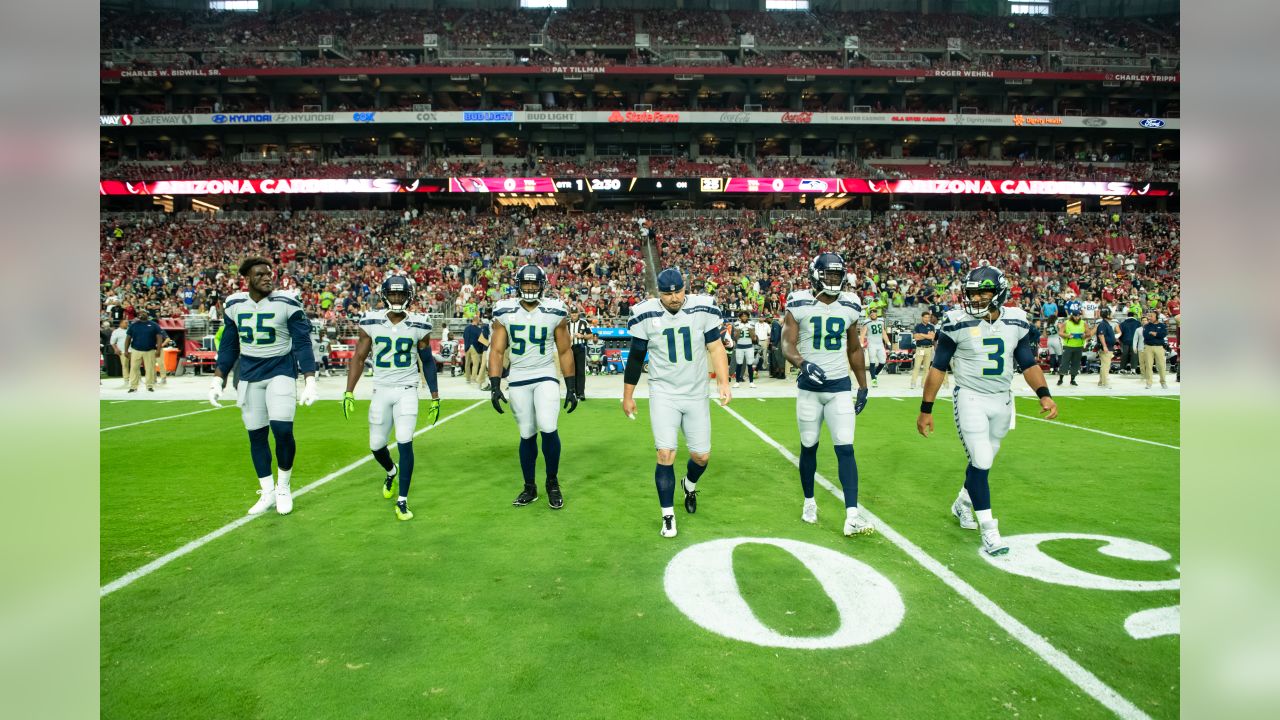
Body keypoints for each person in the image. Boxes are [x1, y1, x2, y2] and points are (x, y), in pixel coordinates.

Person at [916, 265, 1058, 556]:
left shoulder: (1016, 321)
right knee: (980, 459)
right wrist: (926, 409)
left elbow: (1027, 362)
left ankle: (962, 502)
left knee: (985, 462)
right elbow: (938, 368)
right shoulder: (956, 322)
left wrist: (1044, 394)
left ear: (999, 292)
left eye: (983, 292)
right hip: (970, 397)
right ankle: (990, 530)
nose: (977, 298)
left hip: (1003, 400)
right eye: (972, 293)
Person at [622, 268, 731, 538]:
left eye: (678, 291)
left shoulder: (701, 308)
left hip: (695, 392)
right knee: (665, 454)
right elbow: (636, 357)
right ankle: (668, 516)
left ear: (686, 287)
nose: (674, 297)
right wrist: (628, 395)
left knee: (701, 456)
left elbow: (716, 347)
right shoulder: (646, 313)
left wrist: (724, 382)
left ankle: (690, 484)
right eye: (668, 293)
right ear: (658, 293)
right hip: (664, 393)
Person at [208, 256, 318, 516]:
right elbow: (229, 344)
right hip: (248, 373)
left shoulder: (287, 302)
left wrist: (310, 378)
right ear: (247, 279)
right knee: (256, 435)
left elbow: (302, 342)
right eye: (260, 274)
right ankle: (267, 490)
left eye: (269, 273)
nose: (267, 278)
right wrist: (218, 378)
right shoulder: (234, 303)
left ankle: (283, 486)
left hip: (280, 369)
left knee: (281, 429)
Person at [781, 253, 872, 536]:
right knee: (809, 446)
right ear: (815, 275)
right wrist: (802, 363)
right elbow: (786, 342)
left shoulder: (851, 304)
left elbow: (854, 349)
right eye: (828, 275)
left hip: (838, 387)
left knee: (846, 447)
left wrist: (863, 384)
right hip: (809, 389)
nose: (833, 280)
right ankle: (809, 501)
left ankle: (852, 514)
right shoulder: (798, 302)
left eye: (837, 275)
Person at [340, 276, 441, 521]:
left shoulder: (419, 323)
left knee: (405, 440)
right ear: (385, 294)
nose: (397, 298)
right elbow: (359, 358)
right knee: (376, 445)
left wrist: (435, 397)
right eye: (393, 294)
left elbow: (427, 361)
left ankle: (403, 500)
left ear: (409, 295)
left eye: (401, 294)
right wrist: (349, 390)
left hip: (407, 388)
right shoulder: (371, 321)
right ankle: (391, 470)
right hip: (381, 389)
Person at [487, 265, 578, 509]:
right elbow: (496, 351)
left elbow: (565, 350)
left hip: (545, 374)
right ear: (518, 284)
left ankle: (552, 482)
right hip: (518, 376)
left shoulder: (554, 310)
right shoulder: (504, 310)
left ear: (541, 285)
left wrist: (571, 386)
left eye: (533, 284)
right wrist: (495, 384)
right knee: (527, 433)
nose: (529, 288)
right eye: (526, 283)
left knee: (548, 427)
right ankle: (530, 486)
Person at [124, 309, 163, 393]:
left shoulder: (154, 325)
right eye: (140, 313)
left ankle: (149, 386)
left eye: (144, 312)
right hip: (135, 350)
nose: (142, 314)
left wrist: (158, 349)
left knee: (150, 369)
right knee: (134, 368)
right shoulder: (133, 325)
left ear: (147, 314)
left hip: (150, 350)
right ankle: (133, 386)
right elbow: (128, 338)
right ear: (138, 315)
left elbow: (159, 338)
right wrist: (126, 350)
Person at [1057, 300, 1088, 387]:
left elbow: (1089, 333)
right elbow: (1060, 333)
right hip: (1068, 345)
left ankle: (1073, 379)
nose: (1077, 318)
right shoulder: (1067, 323)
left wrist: (1084, 335)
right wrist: (1067, 335)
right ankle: (1061, 379)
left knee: (1076, 363)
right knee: (1064, 362)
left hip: (1079, 345)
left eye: (1078, 316)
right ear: (1072, 316)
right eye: (1075, 316)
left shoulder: (1083, 323)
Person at [860, 306, 890, 388]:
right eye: (871, 313)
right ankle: (873, 379)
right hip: (872, 345)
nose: (873, 314)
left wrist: (888, 342)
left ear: (877, 313)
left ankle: (875, 374)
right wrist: (862, 345)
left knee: (883, 362)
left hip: (880, 344)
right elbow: (862, 335)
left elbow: (883, 333)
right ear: (869, 315)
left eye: (874, 313)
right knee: (872, 362)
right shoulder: (867, 322)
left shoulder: (881, 321)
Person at [1140, 309, 1169, 389]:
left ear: (1157, 316)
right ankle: (1149, 383)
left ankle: (1163, 382)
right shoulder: (1146, 326)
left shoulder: (1162, 325)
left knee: (1161, 366)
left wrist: (1155, 333)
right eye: (1149, 316)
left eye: (1151, 316)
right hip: (1148, 347)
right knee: (1149, 366)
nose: (1150, 317)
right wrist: (1157, 334)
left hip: (1159, 347)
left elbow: (1163, 334)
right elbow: (1146, 336)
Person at [910, 310, 937, 390]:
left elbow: (932, 337)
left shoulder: (931, 326)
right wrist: (926, 335)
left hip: (929, 348)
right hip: (920, 348)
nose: (927, 319)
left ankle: (923, 383)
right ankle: (913, 383)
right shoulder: (918, 326)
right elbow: (916, 337)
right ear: (922, 317)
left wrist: (921, 334)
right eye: (925, 317)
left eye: (928, 317)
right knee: (917, 366)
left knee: (926, 368)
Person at [567, 309, 591, 400]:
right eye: (572, 313)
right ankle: (572, 392)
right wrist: (568, 338)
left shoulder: (584, 323)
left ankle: (581, 393)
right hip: (570, 349)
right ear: (570, 314)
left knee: (580, 371)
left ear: (578, 314)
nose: (574, 315)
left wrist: (582, 336)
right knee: (571, 371)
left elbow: (591, 335)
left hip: (580, 348)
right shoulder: (567, 324)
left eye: (575, 313)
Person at [732, 310, 758, 389]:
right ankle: (737, 382)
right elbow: (735, 338)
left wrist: (750, 330)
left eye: (745, 316)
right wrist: (739, 330)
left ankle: (751, 382)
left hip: (749, 346)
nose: (744, 317)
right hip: (739, 346)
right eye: (742, 316)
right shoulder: (736, 324)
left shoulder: (751, 324)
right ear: (740, 317)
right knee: (739, 364)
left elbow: (753, 338)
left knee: (750, 364)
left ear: (747, 316)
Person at [1094, 307, 1117, 388]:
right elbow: (1101, 335)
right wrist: (1104, 346)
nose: (1112, 315)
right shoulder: (1103, 324)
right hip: (1105, 348)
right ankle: (1105, 382)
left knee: (1105, 365)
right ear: (1106, 314)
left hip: (1108, 347)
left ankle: (1101, 382)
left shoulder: (1106, 323)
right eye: (1110, 313)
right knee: (1105, 365)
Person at [1117, 310, 1142, 374]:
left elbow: (1120, 333)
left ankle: (1122, 368)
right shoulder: (1138, 323)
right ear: (1133, 316)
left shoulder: (1122, 323)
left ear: (1127, 316)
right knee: (1134, 355)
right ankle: (1133, 369)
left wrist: (1121, 340)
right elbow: (1140, 332)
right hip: (1135, 342)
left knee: (1124, 355)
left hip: (1125, 341)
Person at [462, 316, 483, 384]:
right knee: (475, 364)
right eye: (479, 320)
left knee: (467, 364)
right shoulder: (478, 329)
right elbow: (480, 339)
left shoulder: (466, 328)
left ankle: (468, 379)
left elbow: (464, 336)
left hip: (467, 347)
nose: (479, 321)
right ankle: (473, 379)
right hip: (475, 347)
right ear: (476, 320)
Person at [110, 318, 130, 385]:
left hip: (133, 350)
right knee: (125, 366)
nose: (127, 324)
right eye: (125, 323)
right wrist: (116, 349)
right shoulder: (116, 332)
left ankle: (137, 379)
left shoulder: (130, 329)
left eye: (127, 322)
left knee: (135, 365)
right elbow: (112, 342)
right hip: (122, 351)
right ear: (121, 323)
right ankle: (126, 380)